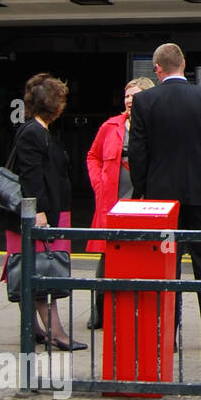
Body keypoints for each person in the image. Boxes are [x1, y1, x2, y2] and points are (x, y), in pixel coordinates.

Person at [127, 43, 201, 351]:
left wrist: (142, 190)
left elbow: (137, 153)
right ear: (184, 64)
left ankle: (168, 333)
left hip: (161, 201)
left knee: (166, 265)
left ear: (157, 68)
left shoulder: (144, 101)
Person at [4, 73, 85, 350]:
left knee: (40, 271)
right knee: (41, 272)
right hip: (39, 216)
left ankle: (37, 329)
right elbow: (31, 177)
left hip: (47, 212)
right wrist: (37, 212)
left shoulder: (38, 130)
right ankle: (55, 331)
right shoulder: (32, 133)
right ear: (54, 105)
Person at [84, 76, 156, 329]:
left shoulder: (155, 127)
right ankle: (100, 310)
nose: (129, 101)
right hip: (112, 200)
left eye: (134, 96)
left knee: (141, 256)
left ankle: (138, 310)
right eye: (127, 96)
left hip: (142, 201)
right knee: (107, 257)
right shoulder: (110, 126)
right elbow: (92, 156)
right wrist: (98, 183)